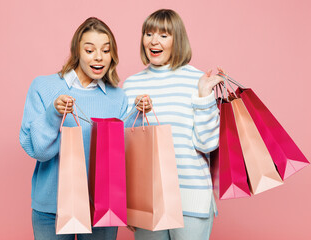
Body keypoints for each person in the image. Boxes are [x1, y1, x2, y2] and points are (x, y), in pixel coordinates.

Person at [20, 17, 130, 240]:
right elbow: (40, 152)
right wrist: (54, 113)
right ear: (77, 52)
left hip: (102, 208)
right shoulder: (44, 87)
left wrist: (138, 114)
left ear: (112, 55)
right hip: (52, 208)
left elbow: (123, 157)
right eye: (89, 50)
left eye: (106, 50)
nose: (98, 57)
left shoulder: (118, 98)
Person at [123, 9, 223, 240]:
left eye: (163, 35)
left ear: (177, 39)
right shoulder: (131, 85)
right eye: (148, 34)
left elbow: (207, 144)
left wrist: (204, 96)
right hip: (148, 199)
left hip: (191, 197)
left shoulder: (197, 81)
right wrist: (129, 202)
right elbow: (126, 149)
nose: (154, 41)